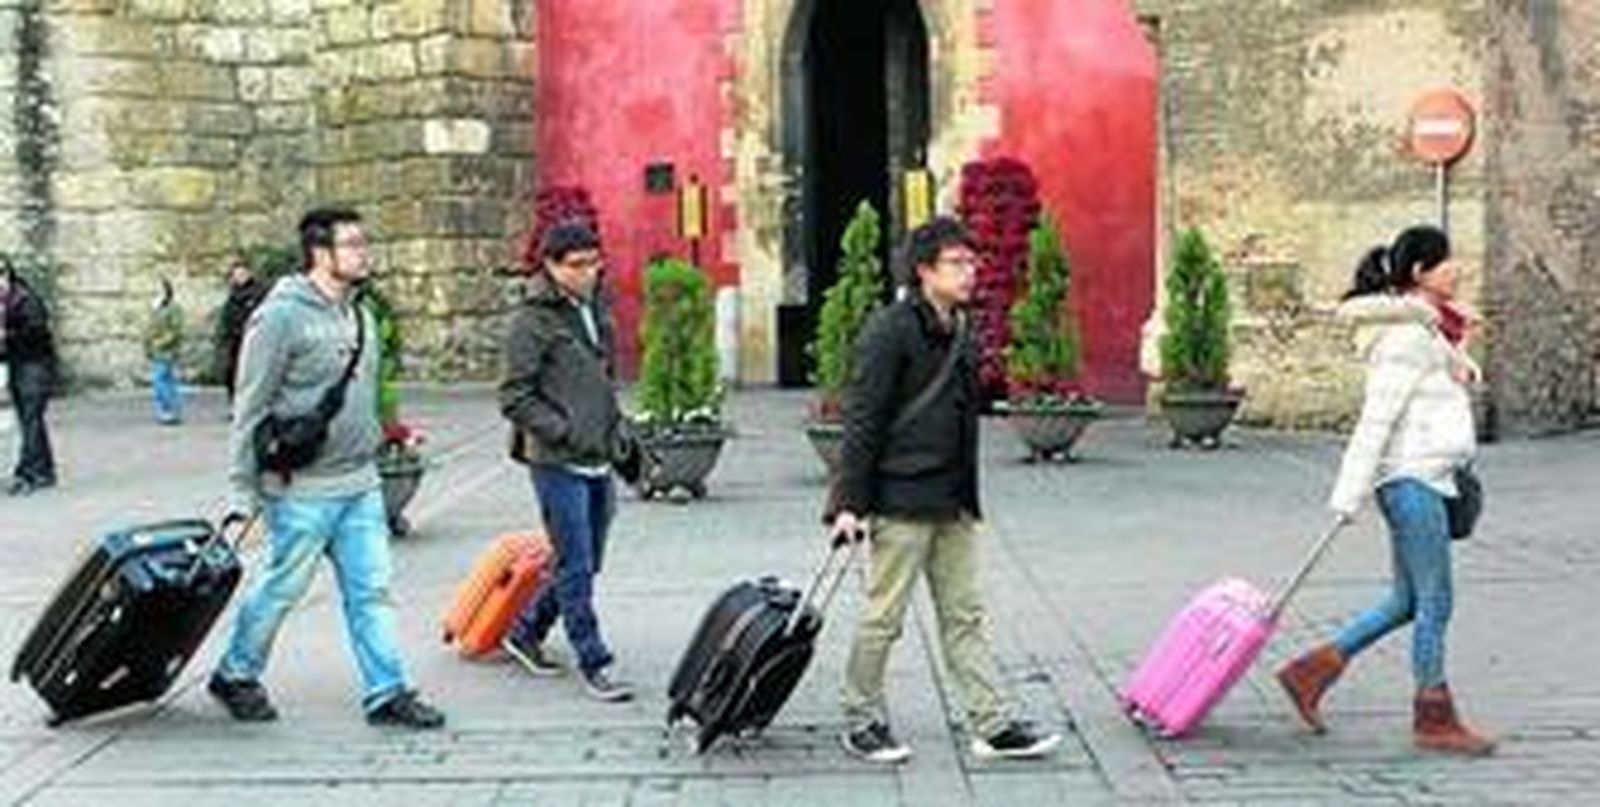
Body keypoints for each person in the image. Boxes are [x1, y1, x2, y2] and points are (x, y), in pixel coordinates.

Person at [828, 217, 1062, 764]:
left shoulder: (960, 328)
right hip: (900, 501)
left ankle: (992, 723)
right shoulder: (889, 331)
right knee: (883, 617)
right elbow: (863, 421)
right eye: (957, 263)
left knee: (964, 615)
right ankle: (861, 718)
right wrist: (849, 505)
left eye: (972, 262)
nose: (970, 271)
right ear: (924, 270)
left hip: (953, 500)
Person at [209, 207, 445, 730]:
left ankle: (386, 692)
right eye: (354, 244)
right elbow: (249, 407)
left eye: (365, 242)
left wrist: (394, 434)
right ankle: (236, 674)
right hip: (300, 490)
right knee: (280, 589)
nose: (365, 252)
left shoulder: (359, 313)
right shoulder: (279, 317)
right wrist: (242, 492)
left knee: (373, 592)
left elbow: (361, 398)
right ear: (321, 253)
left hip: (360, 483)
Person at [1277, 224, 1495, 756]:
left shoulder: (1425, 331)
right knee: (1436, 601)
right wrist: (1347, 496)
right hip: (1411, 479)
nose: (1458, 269)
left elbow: (1452, 375)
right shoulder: (1403, 338)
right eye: (1447, 262)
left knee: (1407, 601)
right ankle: (1433, 716)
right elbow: (1376, 421)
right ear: (1420, 272)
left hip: (1428, 477)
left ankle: (1311, 672)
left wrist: (1457, 338)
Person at [499, 221, 642, 703]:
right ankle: (594, 660)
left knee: (585, 559)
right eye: (577, 264)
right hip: (556, 460)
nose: (588, 272)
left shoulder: (594, 308)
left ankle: (525, 631)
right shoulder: (531, 321)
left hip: (598, 454)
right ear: (552, 266)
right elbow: (514, 396)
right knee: (577, 563)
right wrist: (564, 430)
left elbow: (599, 377)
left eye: (594, 261)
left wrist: (614, 427)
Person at [0, 255, 57, 496]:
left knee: (31, 419)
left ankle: (26, 473)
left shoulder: (26, 299)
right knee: (29, 420)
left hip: (36, 366)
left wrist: (6, 335)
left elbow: (36, 334)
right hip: (18, 364)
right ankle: (45, 469)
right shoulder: (6, 303)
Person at [216, 257, 267, 404]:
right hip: (235, 341)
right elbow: (227, 318)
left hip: (255, 340)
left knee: (253, 374)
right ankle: (236, 403)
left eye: (242, 274)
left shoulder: (259, 293)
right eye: (236, 275)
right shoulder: (232, 296)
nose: (240, 278)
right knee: (232, 373)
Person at [146, 277, 184, 425]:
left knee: (159, 380)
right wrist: (148, 345)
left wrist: (159, 343)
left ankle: (168, 409)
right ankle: (170, 410)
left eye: (159, 288)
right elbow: (149, 329)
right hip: (155, 350)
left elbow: (175, 330)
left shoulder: (173, 308)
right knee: (167, 380)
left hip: (166, 350)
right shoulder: (155, 307)